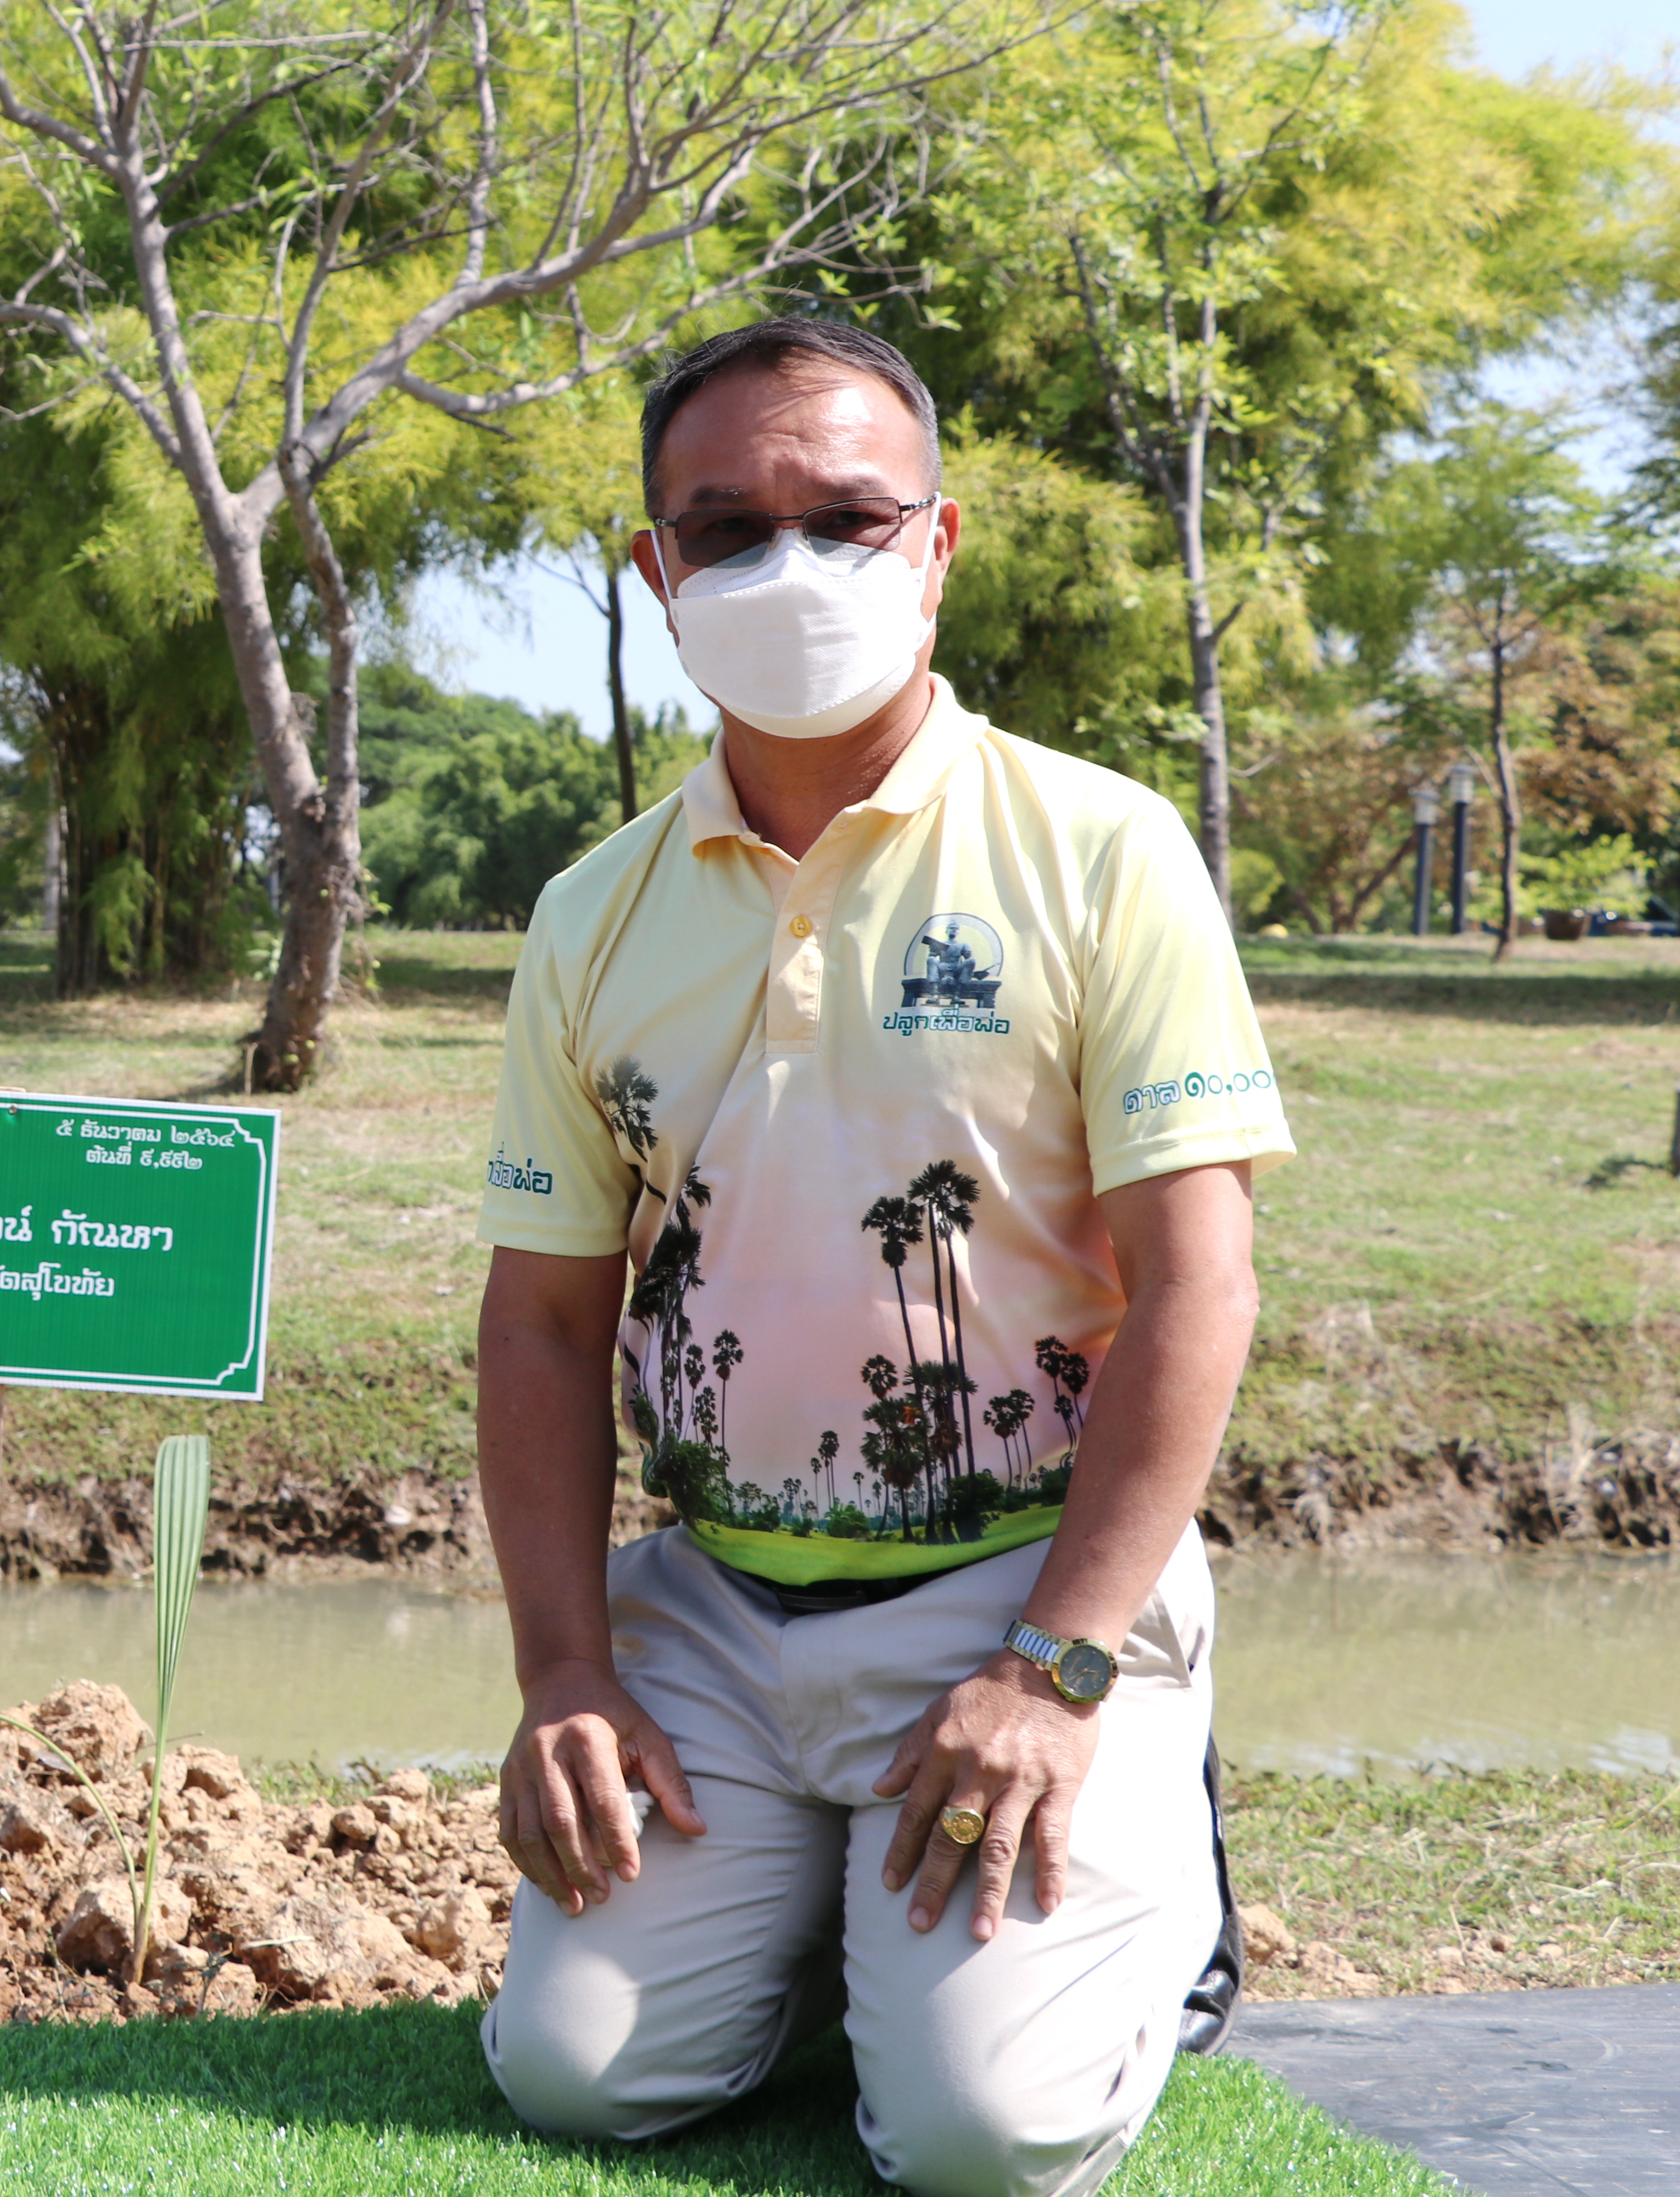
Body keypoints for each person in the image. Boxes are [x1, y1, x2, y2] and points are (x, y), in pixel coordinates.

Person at [470, 317, 1291, 2197]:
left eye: (847, 517)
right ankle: (843, 1933)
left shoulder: (1101, 850)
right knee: (580, 2082)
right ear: (654, 570)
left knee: (982, 2140)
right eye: (726, 527)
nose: (790, 565)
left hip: (1018, 1598)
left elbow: (1200, 1283)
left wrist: (1056, 1667)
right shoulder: (590, 914)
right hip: (714, 1615)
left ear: (937, 544)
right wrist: (566, 1672)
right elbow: (542, 1323)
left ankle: (1151, 1896)